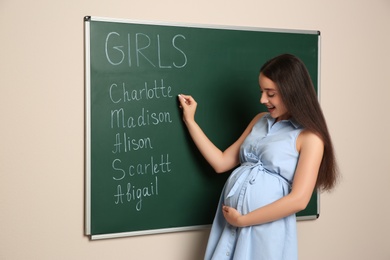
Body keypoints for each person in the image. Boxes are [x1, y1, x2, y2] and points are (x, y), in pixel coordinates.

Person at [178, 53, 338, 260]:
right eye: (262, 91)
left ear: (292, 92)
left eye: (270, 93)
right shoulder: (259, 120)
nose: (262, 99)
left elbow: (299, 200)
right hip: (230, 224)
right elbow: (221, 162)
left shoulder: (310, 138)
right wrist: (190, 121)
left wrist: (244, 220)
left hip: (264, 230)